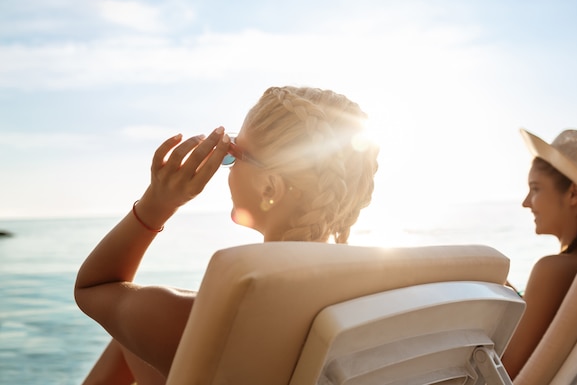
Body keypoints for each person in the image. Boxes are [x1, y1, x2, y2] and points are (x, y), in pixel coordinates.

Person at [74, 86, 379, 384]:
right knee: (129, 333)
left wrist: (158, 203)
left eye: (233, 156)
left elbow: (94, 288)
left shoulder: (194, 321)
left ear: (269, 187)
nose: (227, 169)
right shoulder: (371, 300)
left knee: (132, 326)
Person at [502, 128, 577, 379]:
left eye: (535, 188)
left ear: (573, 194)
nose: (526, 202)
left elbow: (502, 374)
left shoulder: (554, 270)